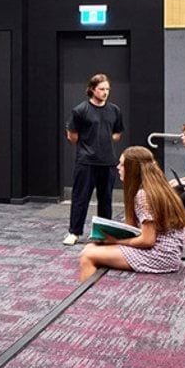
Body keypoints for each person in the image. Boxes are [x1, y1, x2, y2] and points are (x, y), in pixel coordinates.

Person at [78, 147, 185, 280]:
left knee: (88, 255)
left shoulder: (143, 196)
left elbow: (147, 240)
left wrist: (117, 240)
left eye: (122, 164)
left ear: (133, 169)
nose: (118, 167)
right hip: (170, 251)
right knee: (91, 247)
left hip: (160, 255)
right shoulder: (157, 187)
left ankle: (89, 298)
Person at [63, 73, 126, 246]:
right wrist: (91, 142)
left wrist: (104, 138)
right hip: (86, 161)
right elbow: (72, 136)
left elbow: (117, 133)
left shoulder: (114, 110)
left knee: (105, 199)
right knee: (80, 198)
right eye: (101, 89)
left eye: (107, 89)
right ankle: (74, 232)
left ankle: (104, 233)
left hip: (107, 162)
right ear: (92, 89)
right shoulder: (80, 110)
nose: (105, 92)